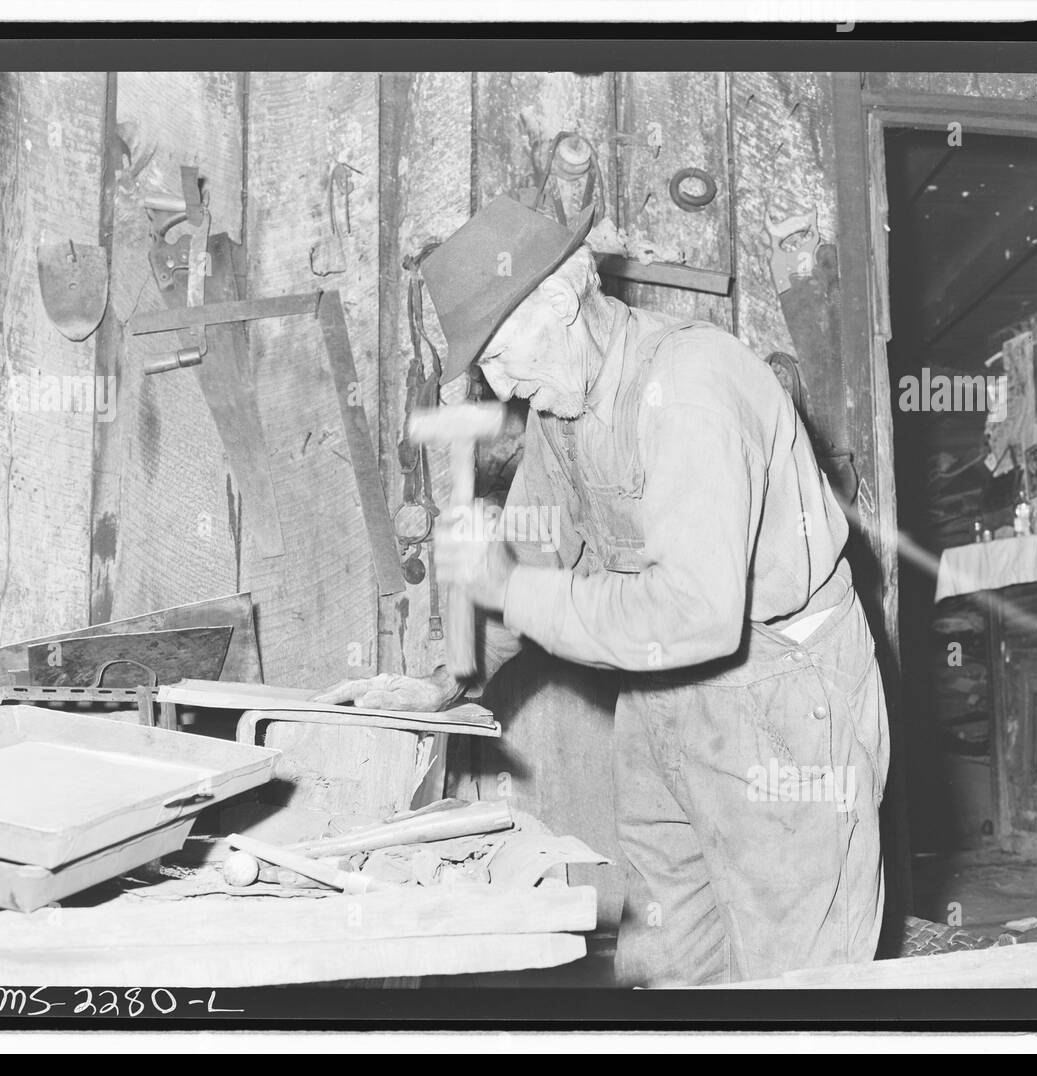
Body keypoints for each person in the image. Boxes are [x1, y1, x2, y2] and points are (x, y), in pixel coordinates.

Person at [316, 194, 890, 987]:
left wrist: (512, 590)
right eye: (487, 370)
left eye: (504, 355)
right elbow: (532, 549)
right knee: (670, 961)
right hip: (663, 695)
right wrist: (445, 679)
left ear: (562, 296)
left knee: (797, 978)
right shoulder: (567, 400)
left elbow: (695, 611)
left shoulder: (693, 387)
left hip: (782, 695)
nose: (504, 385)